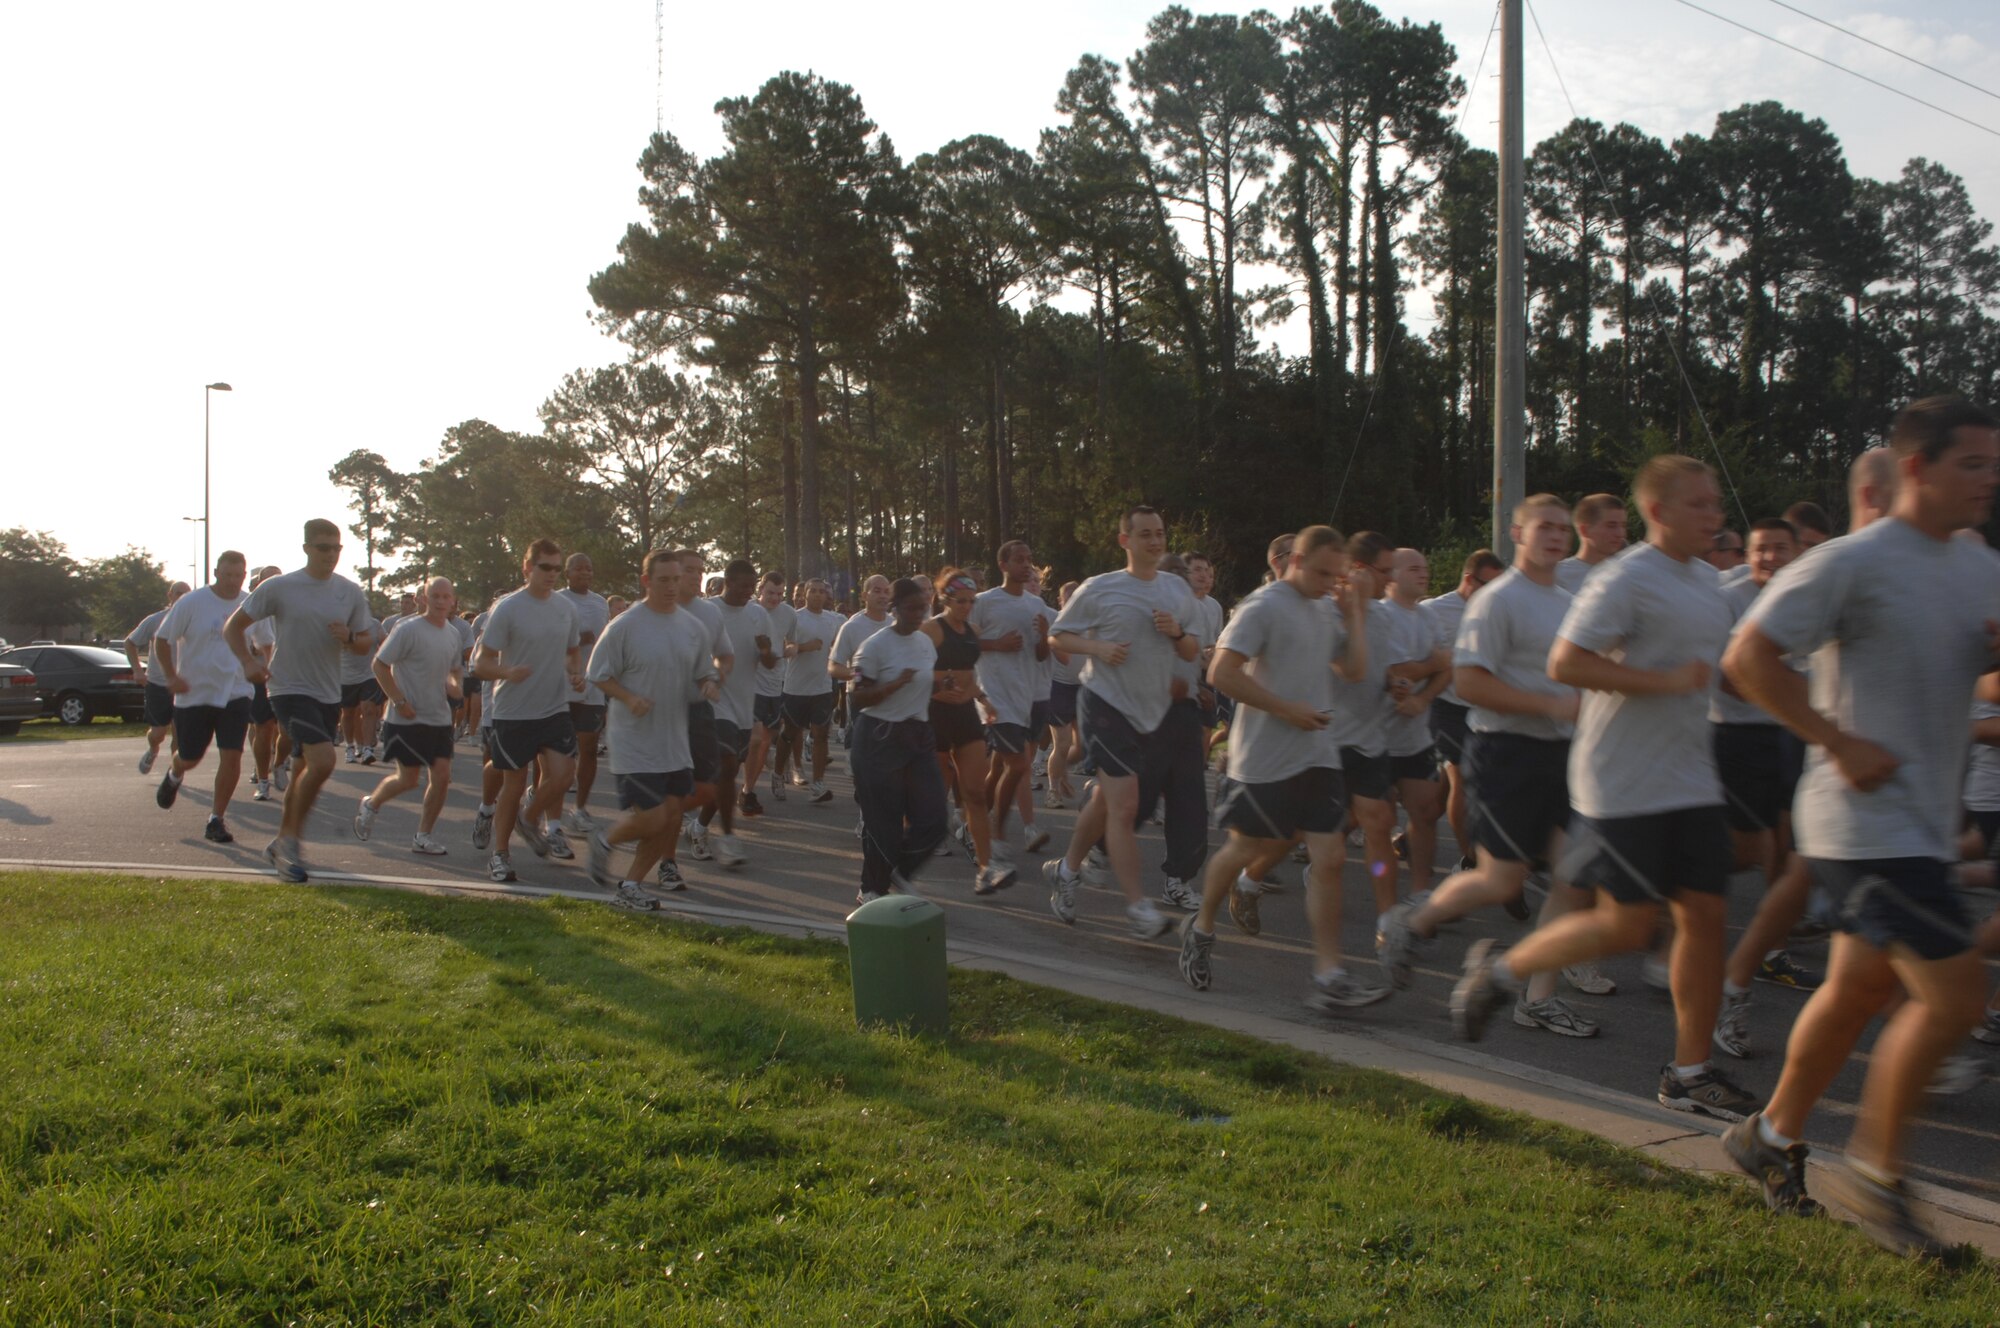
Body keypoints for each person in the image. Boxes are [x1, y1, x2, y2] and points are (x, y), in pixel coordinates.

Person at [1720, 397, 2000, 1254]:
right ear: (1916, 467)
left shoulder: (1979, 566)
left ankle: (1766, 1136)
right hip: (1859, 821)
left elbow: (1971, 677)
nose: (1989, 482)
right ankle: (1877, 1175)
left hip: (1920, 817)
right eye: (1973, 465)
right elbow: (1746, 662)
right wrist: (1835, 740)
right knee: (1956, 996)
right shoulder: (1850, 563)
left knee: (1858, 992)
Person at [1452, 457, 1759, 1121]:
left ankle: (1690, 1072)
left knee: (1704, 918)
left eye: (1716, 504)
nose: (1716, 516)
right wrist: (1666, 682)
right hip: (1622, 780)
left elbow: (1721, 670)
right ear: (1661, 511)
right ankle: (1501, 975)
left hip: (1691, 776)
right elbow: (1568, 663)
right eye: (1701, 505)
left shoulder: (1710, 582)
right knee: (1628, 923)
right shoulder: (1625, 580)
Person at [1377, 498, 1600, 1037]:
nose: (1554, 536)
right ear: (1517, 532)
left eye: (1562, 529)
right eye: (1543, 527)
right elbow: (1470, 683)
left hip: (1561, 756)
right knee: (1502, 881)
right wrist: (1551, 704)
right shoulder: (1498, 601)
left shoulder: (1571, 602)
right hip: (1505, 754)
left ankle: (1537, 998)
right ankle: (1414, 918)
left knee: (1576, 878)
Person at [1179, 524, 1388, 1010]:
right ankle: (1202, 926)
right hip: (1263, 760)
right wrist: (1286, 709)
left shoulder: (1325, 606)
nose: (1327, 583)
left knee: (1331, 859)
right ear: (1294, 560)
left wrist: (1354, 612)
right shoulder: (1263, 606)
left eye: (1336, 575)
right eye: (1321, 572)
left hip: (1319, 754)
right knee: (1245, 848)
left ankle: (1329, 975)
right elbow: (1221, 673)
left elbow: (1353, 670)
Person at [1043, 506, 1201, 937]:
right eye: (1145, 534)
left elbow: (1191, 653)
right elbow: (1057, 635)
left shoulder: (1177, 591)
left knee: (1106, 801)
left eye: (1160, 533)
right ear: (1124, 541)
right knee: (1127, 805)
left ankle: (1066, 869)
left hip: (1151, 713)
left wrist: (1176, 634)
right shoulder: (1100, 588)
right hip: (1104, 703)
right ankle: (1137, 908)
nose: (1155, 541)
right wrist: (1099, 650)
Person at [224, 519, 374, 883]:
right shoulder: (280, 587)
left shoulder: (349, 591)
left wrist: (350, 635)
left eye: (336, 548)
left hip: (327, 692)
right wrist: (248, 662)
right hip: (288, 688)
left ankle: (282, 845)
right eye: (323, 547)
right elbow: (233, 626)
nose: (330, 555)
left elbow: (367, 640)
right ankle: (289, 841)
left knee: (306, 771)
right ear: (306, 548)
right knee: (323, 761)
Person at [585, 550, 719, 909]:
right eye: (664, 580)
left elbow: (705, 669)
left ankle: (630, 887)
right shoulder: (626, 625)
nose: (672, 586)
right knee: (654, 816)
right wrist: (628, 698)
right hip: (635, 740)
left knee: (671, 818)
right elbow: (598, 674)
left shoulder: (693, 627)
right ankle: (605, 838)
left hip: (675, 739)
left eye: (677, 579)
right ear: (646, 581)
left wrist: (709, 683)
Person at [472, 538, 583, 883]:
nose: (551, 574)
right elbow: (480, 663)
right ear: (527, 569)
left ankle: (529, 816)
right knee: (514, 782)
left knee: (564, 775)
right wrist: (507, 672)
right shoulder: (508, 608)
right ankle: (500, 855)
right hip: (514, 710)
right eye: (544, 567)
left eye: (556, 568)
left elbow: (572, 650)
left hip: (554, 707)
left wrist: (575, 673)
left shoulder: (565, 608)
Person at [849, 578, 951, 904]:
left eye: (922, 607)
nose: (918, 614)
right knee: (884, 824)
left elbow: (919, 686)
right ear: (895, 609)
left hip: (917, 735)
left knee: (934, 818)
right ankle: (872, 890)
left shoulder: (924, 643)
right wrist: (892, 685)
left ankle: (900, 871)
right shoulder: (874, 646)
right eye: (911, 608)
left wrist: (940, 686)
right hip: (879, 738)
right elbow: (857, 696)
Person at [354, 576, 464, 856]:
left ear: (453, 601)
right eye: (435, 596)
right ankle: (371, 804)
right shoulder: (407, 629)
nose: (440, 602)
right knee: (408, 779)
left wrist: (454, 685)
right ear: (424, 599)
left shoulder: (453, 633)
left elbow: (454, 669)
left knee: (441, 776)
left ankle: (423, 836)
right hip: (406, 718)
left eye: (445, 597)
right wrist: (399, 700)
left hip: (439, 718)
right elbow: (379, 665)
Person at [152, 552, 252, 844]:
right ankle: (175, 773)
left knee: (232, 754)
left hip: (236, 691)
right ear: (216, 572)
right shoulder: (192, 602)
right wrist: (171, 676)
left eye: (239, 575)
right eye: (228, 574)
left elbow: (266, 642)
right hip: (194, 692)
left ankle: (216, 819)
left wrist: (262, 666)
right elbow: (162, 639)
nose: (234, 581)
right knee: (190, 757)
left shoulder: (250, 605)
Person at [925, 570, 1014, 894]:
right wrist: (934, 691)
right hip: (933, 713)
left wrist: (983, 699)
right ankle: (901, 853)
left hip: (964, 714)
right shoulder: (931, 630)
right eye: (960, 601)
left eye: (971, 601)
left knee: (975, 792)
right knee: (934, 793)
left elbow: (968, 677)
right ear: (945, 599)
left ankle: (986, 869)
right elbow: (911, 671)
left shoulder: (973, 631)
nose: (966, 606)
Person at [1329, 532, 1402, 921]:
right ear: (1358, 569)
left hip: (1370, 740)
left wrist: (1395, 682)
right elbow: (1348, 672)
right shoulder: (1327, 611)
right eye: (1384, 571)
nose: (1390, 580)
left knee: (1379, 822)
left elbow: (1380, 668)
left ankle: (1388, 922)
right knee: (1311, 836)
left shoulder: (1386, 614)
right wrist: (1351, 612)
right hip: (1328, 740)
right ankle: (1250, 878)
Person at [1422, 550, 1506, 868]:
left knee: (1436, 800)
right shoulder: (1434, 610)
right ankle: (1471, 860)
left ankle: (1408, 838)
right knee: (1462, 779)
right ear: (1469, 579)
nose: (1495, 595)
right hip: (1446, 708)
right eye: (1489, 586)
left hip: (1483, 710)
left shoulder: (1499, 610)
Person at [973, 541, 1053, 859]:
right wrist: (997, 643)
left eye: (1030, 560)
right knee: (1018, 765)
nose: (1027, 565)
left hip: (1025, 696)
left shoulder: (1036, 605)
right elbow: (965, 642)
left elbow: (1041, 654)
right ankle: (996, 832)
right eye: (1020, 560)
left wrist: (1045, 635)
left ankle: (974, 819)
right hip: (994, 696)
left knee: (998, 767)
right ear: (1003, 565)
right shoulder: (984, 601)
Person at [695, 559, 776, 868]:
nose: (748, 592)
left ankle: (699, 826)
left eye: (751, 587)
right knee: (726, 765)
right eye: (743, 586)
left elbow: (770, 663)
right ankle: (727, 837)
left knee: (726, 775)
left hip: (744, 703)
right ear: (727, 580)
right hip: (712, 701)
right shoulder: (708, 610)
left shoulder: (758, 615)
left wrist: (767, 651)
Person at [1381, 549, 1450, 895]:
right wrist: (1429, 665)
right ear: (1390, 575)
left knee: (1424, 813)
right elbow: (1396, 671)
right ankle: (1323, 863)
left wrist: (1422, 698)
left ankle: (1421, 894)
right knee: (1372, 822)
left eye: (1425, 566)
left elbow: (1448, 667)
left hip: (1414, 739)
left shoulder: (1429, 616)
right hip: (1374, 738)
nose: (1423, 573)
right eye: (1413, 568)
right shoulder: (1380, 615)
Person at [557, 553, 612, 833]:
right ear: (567, 573)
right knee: (556, 753)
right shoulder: (557, 600)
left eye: (589, 568)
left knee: (588, 748)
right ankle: (544, 799)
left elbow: (606, 641)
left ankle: (579, 808)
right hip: (560, 686)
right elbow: (549, 640)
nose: (585, 573)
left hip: (591, 686)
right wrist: (579, 640)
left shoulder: (600, 602)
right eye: (578, 568)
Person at [780, 579, 843, 802]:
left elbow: (842, 643)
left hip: (823, 687)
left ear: (826, 596)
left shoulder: (834, 620)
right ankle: (783, 772)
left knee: (821, 735)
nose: (817, 595)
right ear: (804, 594)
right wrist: (807, 647)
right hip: (796, 687)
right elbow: (785, 649)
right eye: (812, 591)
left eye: (821, 592)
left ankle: (818, 784)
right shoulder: (795, 618)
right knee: (790, 733)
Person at [127, 581, 191, 775]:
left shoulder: (193, 620)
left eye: (186, 594)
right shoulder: (155, 620)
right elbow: (130, 643)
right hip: (158, 683)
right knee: (158, 733)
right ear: (169, 595)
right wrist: (137, 670)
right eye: (178, 593)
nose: (181, 597)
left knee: (180, 733)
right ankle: (153, 750)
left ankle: (174, 773)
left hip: (184, 685)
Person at [743, 572, 795, 810]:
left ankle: (748, 790)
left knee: (765, 742)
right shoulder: (748, 611)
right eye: (771, 592)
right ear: (760, 590)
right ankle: (740, 788)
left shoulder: (788, 614)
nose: (775, 598)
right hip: (750, 683)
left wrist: (792, 648)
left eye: (779, 594)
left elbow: (791, 641)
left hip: (776, 684)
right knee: (753, 741)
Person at [243, 566, 288, 802]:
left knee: (287, 730)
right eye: (266, 580)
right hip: (262, 674)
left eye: (276, 579)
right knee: (263, 727)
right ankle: (262, 779)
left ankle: (279, 762)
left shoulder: (293, 604)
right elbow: (236, 633)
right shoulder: (253, 608)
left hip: (290, 674)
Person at [1044, 580, 1083, 807]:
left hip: (1084, 687)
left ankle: (1061, 770)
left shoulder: (1091, 622)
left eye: (1077, 596)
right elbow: (1064, 658)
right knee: (1063, 743)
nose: (1073, 601)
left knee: (1085, 746)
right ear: (1060, 601)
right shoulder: (1057, 623)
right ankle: (1053, 790)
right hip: (1059, 687)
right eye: (1068, 598)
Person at [337, 607, 384, 764]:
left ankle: (367, 749)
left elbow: (385, 642)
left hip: (368, 674)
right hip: (346, 676)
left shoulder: (374, 624)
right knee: (349, 713)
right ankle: (350, 746)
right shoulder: (342, 625)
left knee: (369, 709)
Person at [1555, 494, 1627, 593]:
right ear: (1585, 530)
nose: (1620, 533)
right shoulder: (1557, 577)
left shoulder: (1627, 574)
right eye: (1611, 526)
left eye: (1623, 526)